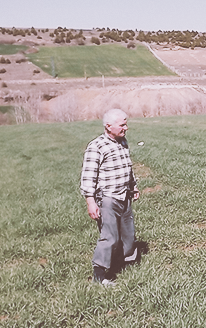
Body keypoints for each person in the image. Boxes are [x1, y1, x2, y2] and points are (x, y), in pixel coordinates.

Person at [80, 108, 140, 286]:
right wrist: (90, 202)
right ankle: (99, 275)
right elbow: (88, 176)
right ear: (108, 126)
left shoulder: (123, 142)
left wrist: (133, 186)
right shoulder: (96, 147)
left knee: (128, 235)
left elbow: (127, 167)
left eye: (125, 124)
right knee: (110, 237)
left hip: (124, 196)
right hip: (107, 199)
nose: (126, 128)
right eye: (122, 125)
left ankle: (127, 265)